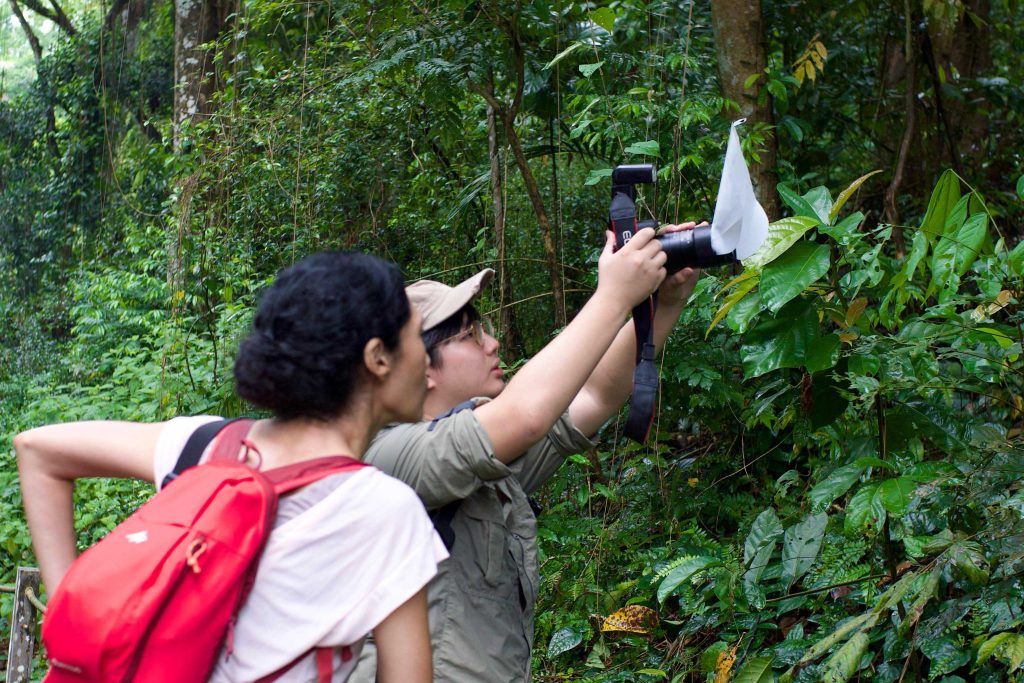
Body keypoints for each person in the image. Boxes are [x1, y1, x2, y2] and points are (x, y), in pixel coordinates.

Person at [15, 251, 447, 682]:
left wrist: (69, 615)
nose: (427, 360)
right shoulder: (386, 511)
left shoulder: (203, 444)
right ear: (378, 358)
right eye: (418, 337)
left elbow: (38, 451)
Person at [349, 224, 700, 682]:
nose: (493, 343)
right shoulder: (386, 457)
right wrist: (613, 296)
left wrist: (662, 302)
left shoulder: (484, 456)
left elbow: (592, 395)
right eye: (471, 334)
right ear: (420, 365)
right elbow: (525, 415)